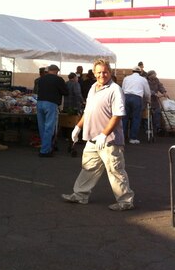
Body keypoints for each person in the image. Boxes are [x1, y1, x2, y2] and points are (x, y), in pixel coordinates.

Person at [62, 58, 135, 211]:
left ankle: (125, 201)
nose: (102, 75)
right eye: (99, 72)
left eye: (105, 72)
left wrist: (104, 134)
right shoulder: (93, 87)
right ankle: (80, 195)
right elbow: (88, 111)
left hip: (109, 140)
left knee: (115, 170)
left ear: (110, 72)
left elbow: (117, 115)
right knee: (89, 167)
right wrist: (78, 127)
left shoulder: (115, 89)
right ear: (94, 74)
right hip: (92, 138)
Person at [36, 64, 68, 157]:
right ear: (56, 71)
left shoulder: (41, 79)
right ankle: (45, 151)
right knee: (49, 127)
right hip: (51, 104)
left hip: (40, 102)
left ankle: (46, 147)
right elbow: (65, 92)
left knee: (42, 127)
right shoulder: (58, 79)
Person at [121, 66, 150, 144]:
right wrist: (148, 100)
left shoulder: (126, 78)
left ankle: (122, 137)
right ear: (140, 72)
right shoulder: (143, 79)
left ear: (132, 71)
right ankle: (133, 138)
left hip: (126, 97)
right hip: (137, 98)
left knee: (124, 118)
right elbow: (147, 92)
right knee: (136, 118)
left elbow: (123, 89)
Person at [147, 70, 167, 136]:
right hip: (148, 100)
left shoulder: (156, 80)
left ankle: (157, 128)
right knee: (148, 115)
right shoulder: (146, 81)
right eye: (153, 75)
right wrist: (154, 93)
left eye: (155, 75)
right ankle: (147, 128)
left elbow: (160, 86)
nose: (155, 77)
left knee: (157, 113)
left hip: (155, 100)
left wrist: (163, 92)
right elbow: (147, 89)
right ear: (149, 76)